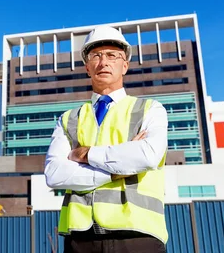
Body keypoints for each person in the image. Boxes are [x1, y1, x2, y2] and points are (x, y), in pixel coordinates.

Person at [44, 25, 168, 253]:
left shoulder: (149, 109)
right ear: (87, 67)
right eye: (96, 56)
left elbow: (148, 156)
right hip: (81, 239)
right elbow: (54, 175)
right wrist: (117, 169)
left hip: (138, 236)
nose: (103, 62)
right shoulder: (69, 118)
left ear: (125, 65)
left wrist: (85, 154)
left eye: (112, 55)